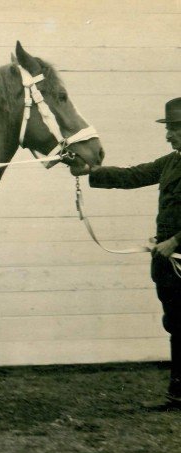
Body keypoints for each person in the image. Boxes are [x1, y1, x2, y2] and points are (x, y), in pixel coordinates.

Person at [71, 97, 181, 409]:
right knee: (176, 323)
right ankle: (178, 393)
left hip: (174, 255)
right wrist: (89, 171)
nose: (168, 135)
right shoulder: (172, 162)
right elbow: (134, 175)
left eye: (174, 128)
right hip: (167, 263)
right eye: (169, 128)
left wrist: (174, 241)